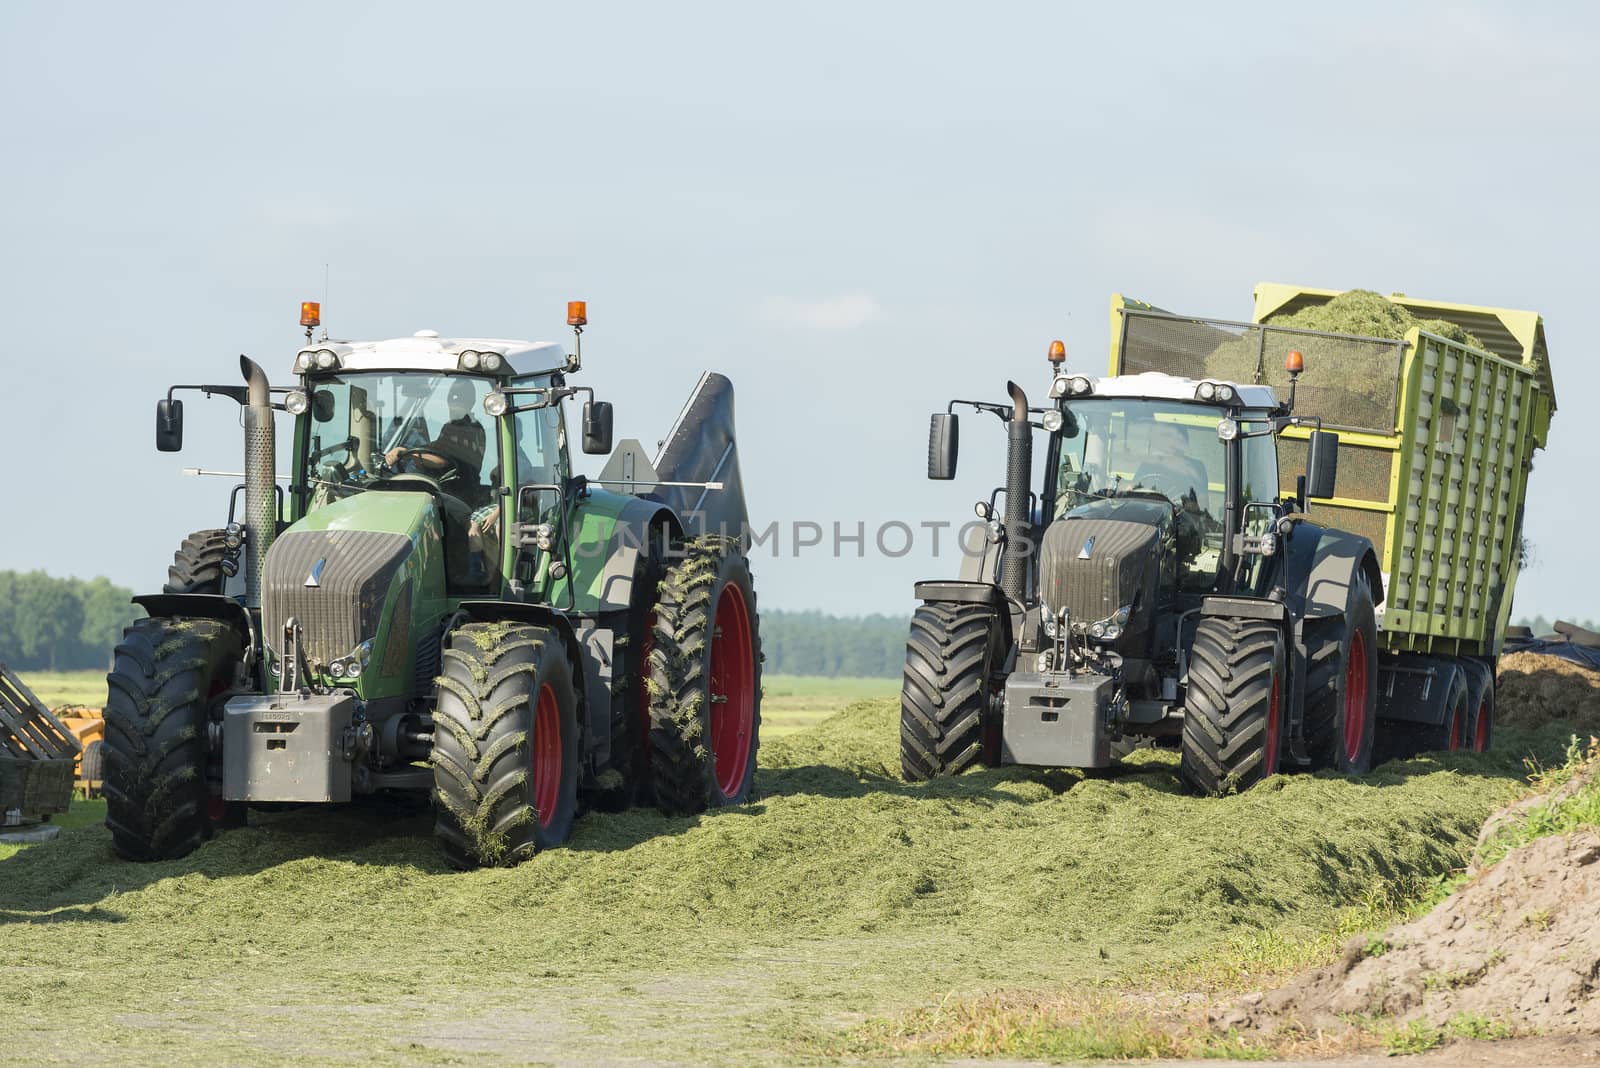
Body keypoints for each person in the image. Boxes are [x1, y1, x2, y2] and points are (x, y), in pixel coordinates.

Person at [384, 379, 488, 506]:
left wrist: (407, 453)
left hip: (459, 498)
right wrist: (411, 451)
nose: (454, 400)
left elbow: (442, 461)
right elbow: (437, 447)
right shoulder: (453, 426)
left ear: (471, 401)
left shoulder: (469, 429)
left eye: (460, 397)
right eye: (451, 396)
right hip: (448, 493)